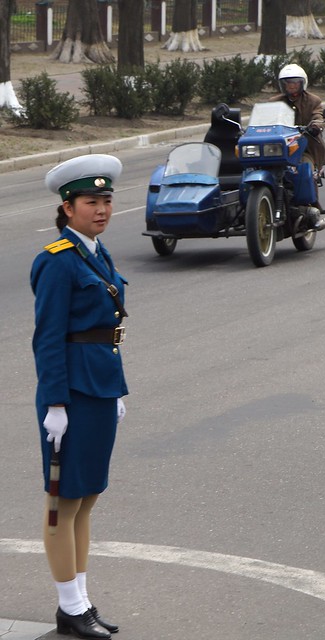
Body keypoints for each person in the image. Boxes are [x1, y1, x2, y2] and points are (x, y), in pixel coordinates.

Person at [31, 154, 129, 639]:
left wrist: (115, 391)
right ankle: (69, 606)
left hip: (98, 388)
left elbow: (106, 329)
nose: (102, 209)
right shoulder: (56, 260)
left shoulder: (96, 251)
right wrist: (54, 404)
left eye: (107, 201)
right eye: (91, 201)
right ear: (67, 207)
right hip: (68, 396)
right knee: (62, 503)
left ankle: (82, 602)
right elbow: (48, 338)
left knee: (87, 498)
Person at [269, 63, 325, 213]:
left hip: (304, 147)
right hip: (277, 147)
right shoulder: (273, 102)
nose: (292, 87)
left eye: (295, 83)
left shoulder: (313, 101)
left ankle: (313, 203)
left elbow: (318, 115)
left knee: (305, 170)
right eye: (288, 83)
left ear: (302, 83)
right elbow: (263, 119)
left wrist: (316, 125)